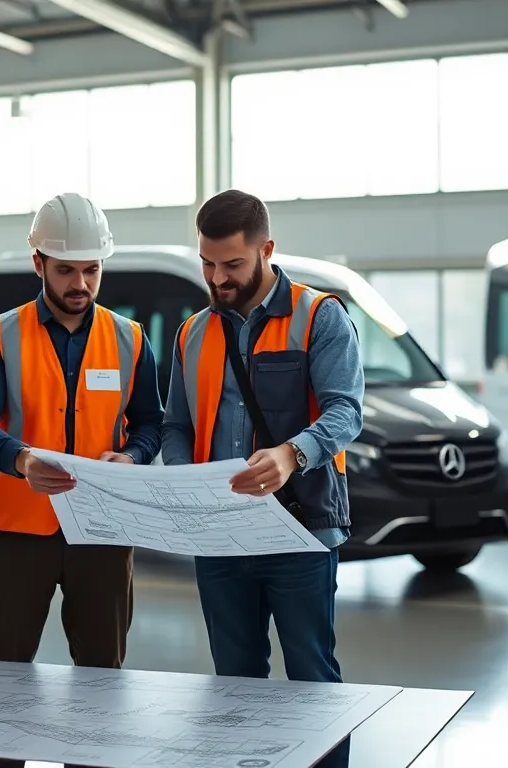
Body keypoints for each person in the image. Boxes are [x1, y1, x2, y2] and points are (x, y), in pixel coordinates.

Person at [160, 189, 364, 768]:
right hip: (220, 537)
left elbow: (345, 411)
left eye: (232, 264)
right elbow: (177, 425)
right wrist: (183, 479)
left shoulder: (319, 317)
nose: (217, 277)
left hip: (300, 531)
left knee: (312, 678)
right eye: (207, 263)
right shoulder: (191, 332)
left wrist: (291, 456)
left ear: (266, 249)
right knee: (235, 684)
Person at [0, 192, 164, 768]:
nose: (81, 282)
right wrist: (21, 459)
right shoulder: (0, 335)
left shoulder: (130, 339)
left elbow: (151, 422)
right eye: (68, 269)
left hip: (102, 532)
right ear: (39, 264)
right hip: (18, 531)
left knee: (101, 681)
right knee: (5, 681)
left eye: (91, 269)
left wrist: (135, 456)